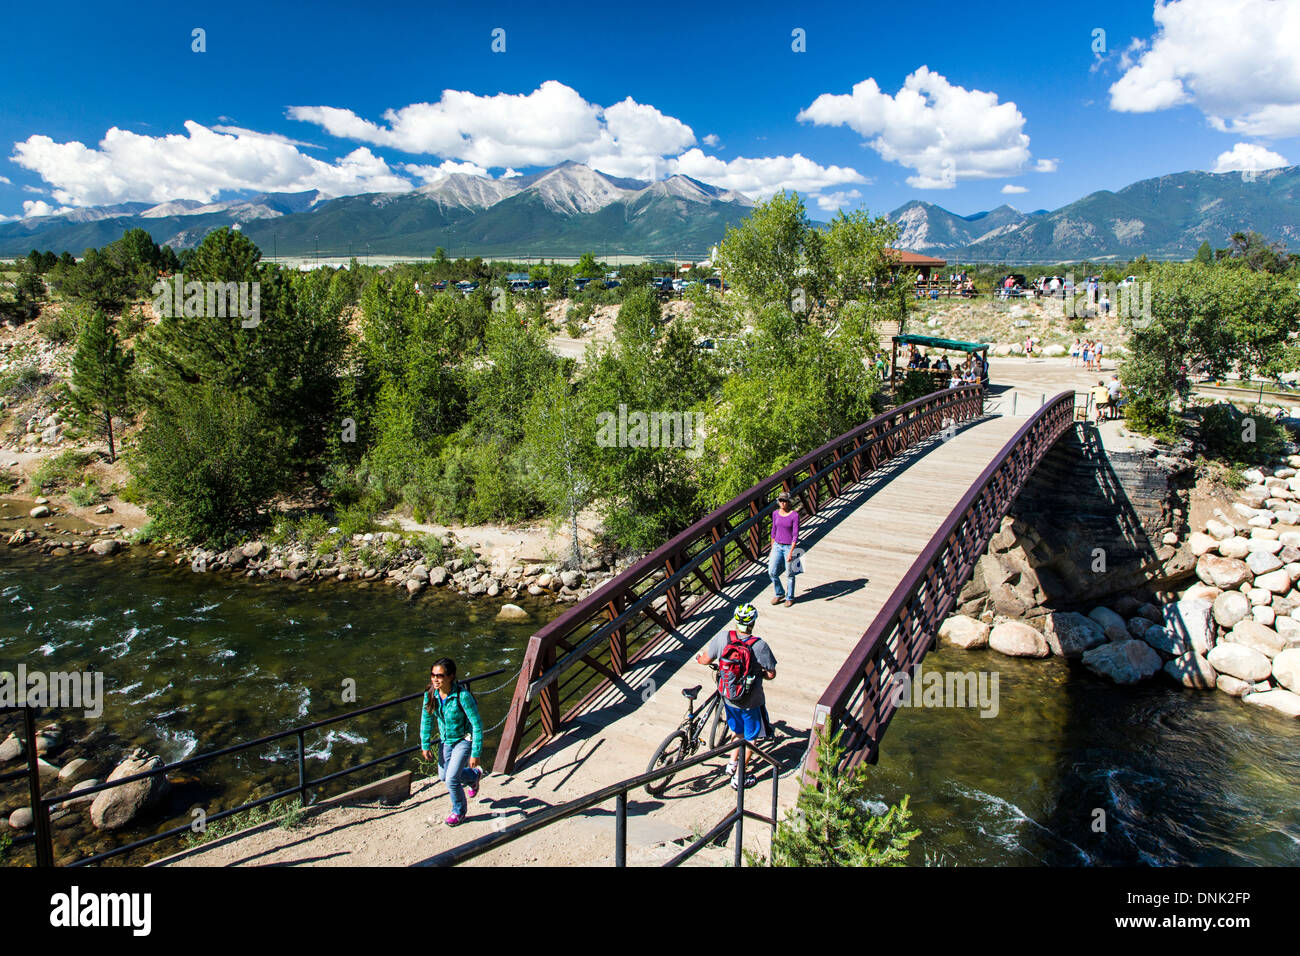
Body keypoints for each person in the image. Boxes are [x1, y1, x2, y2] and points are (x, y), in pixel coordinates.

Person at [696, 603, 777, 789]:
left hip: (728, 696)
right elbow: (771, 674)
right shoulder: (760, 645)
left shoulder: (723, 637)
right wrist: (760, 674)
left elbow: (706, 660)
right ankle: (740, 775)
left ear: (736, 621)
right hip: (750, 700)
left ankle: (732, 763)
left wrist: (699, 659)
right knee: (751, 737)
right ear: (753, 623)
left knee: (736, 731)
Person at [420, 657, 484, 826]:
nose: (435, 679)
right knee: (443, 776)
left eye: (439, 676)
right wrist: (425, 744)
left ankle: (459, 811)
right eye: (433, 675)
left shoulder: (463, 697)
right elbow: (426, 720)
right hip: (446, 741)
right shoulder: (430, 695)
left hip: (464, 739)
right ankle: (473, 777)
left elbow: (477, 725)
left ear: (451, 676)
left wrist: (475, 753)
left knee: (451, 779)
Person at [769, 491, 800, 606]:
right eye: (780, 500)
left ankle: (790, 597)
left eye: (784, 501)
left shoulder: (794, 515)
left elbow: (795, 535)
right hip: (777, 545)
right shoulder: (775, 513)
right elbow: (773, 531)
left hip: (788, 547)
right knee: (771, 571)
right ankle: (779, 593)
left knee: (789, 574)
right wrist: (772, 548)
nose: (782, 503)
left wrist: (791, 552)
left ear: (788, 502)